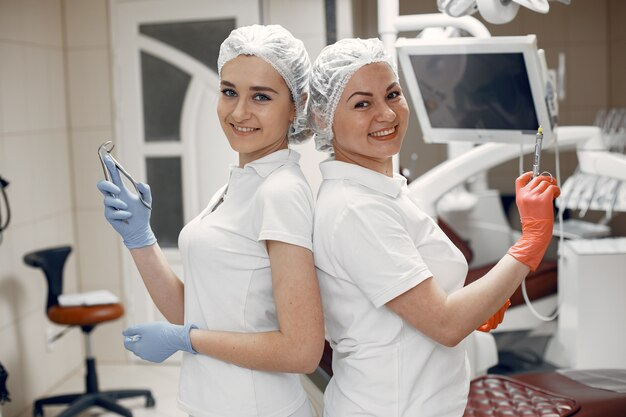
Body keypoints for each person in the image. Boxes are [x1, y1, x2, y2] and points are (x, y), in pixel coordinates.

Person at [308, 38, 560, 417]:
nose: (387, 114)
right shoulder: (355, 209)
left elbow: (428, 302)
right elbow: (444, 323)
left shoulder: (382, 192)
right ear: (323, 120)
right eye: (362, 103)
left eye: (392, 94)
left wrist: (483, 302)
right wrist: (531, 243)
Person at [97, 24, 324, 417]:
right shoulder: (238, 185)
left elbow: (302, 350)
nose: (239, 111)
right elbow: (193, 312)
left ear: (296, 104)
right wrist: (140, 239)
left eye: (261, 96)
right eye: (229, 91)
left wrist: (186, 340)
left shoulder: (280, 193)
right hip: (212, 403)